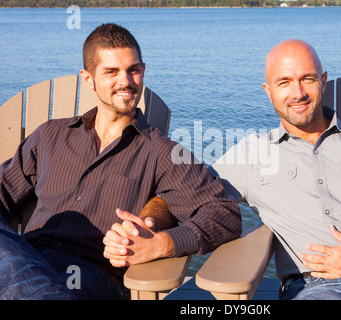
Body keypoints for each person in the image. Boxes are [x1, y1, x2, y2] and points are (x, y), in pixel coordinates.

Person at [114, 39, 341, 300]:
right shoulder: (252, 154)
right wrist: (152, 229)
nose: (298, 93)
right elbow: (183, 193)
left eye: (307, 79)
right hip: (318, 290)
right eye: (284, 82)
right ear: (268, 91)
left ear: (324, 81)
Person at [0, 23, 241, 300]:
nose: (126, 81)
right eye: (111, 72)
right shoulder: (50, 136)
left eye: (133, 70)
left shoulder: (162, 152)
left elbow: (224, 214)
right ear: (88, 79)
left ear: (143, 71)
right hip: (24, 261)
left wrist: (163, 243)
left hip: (88, 277)